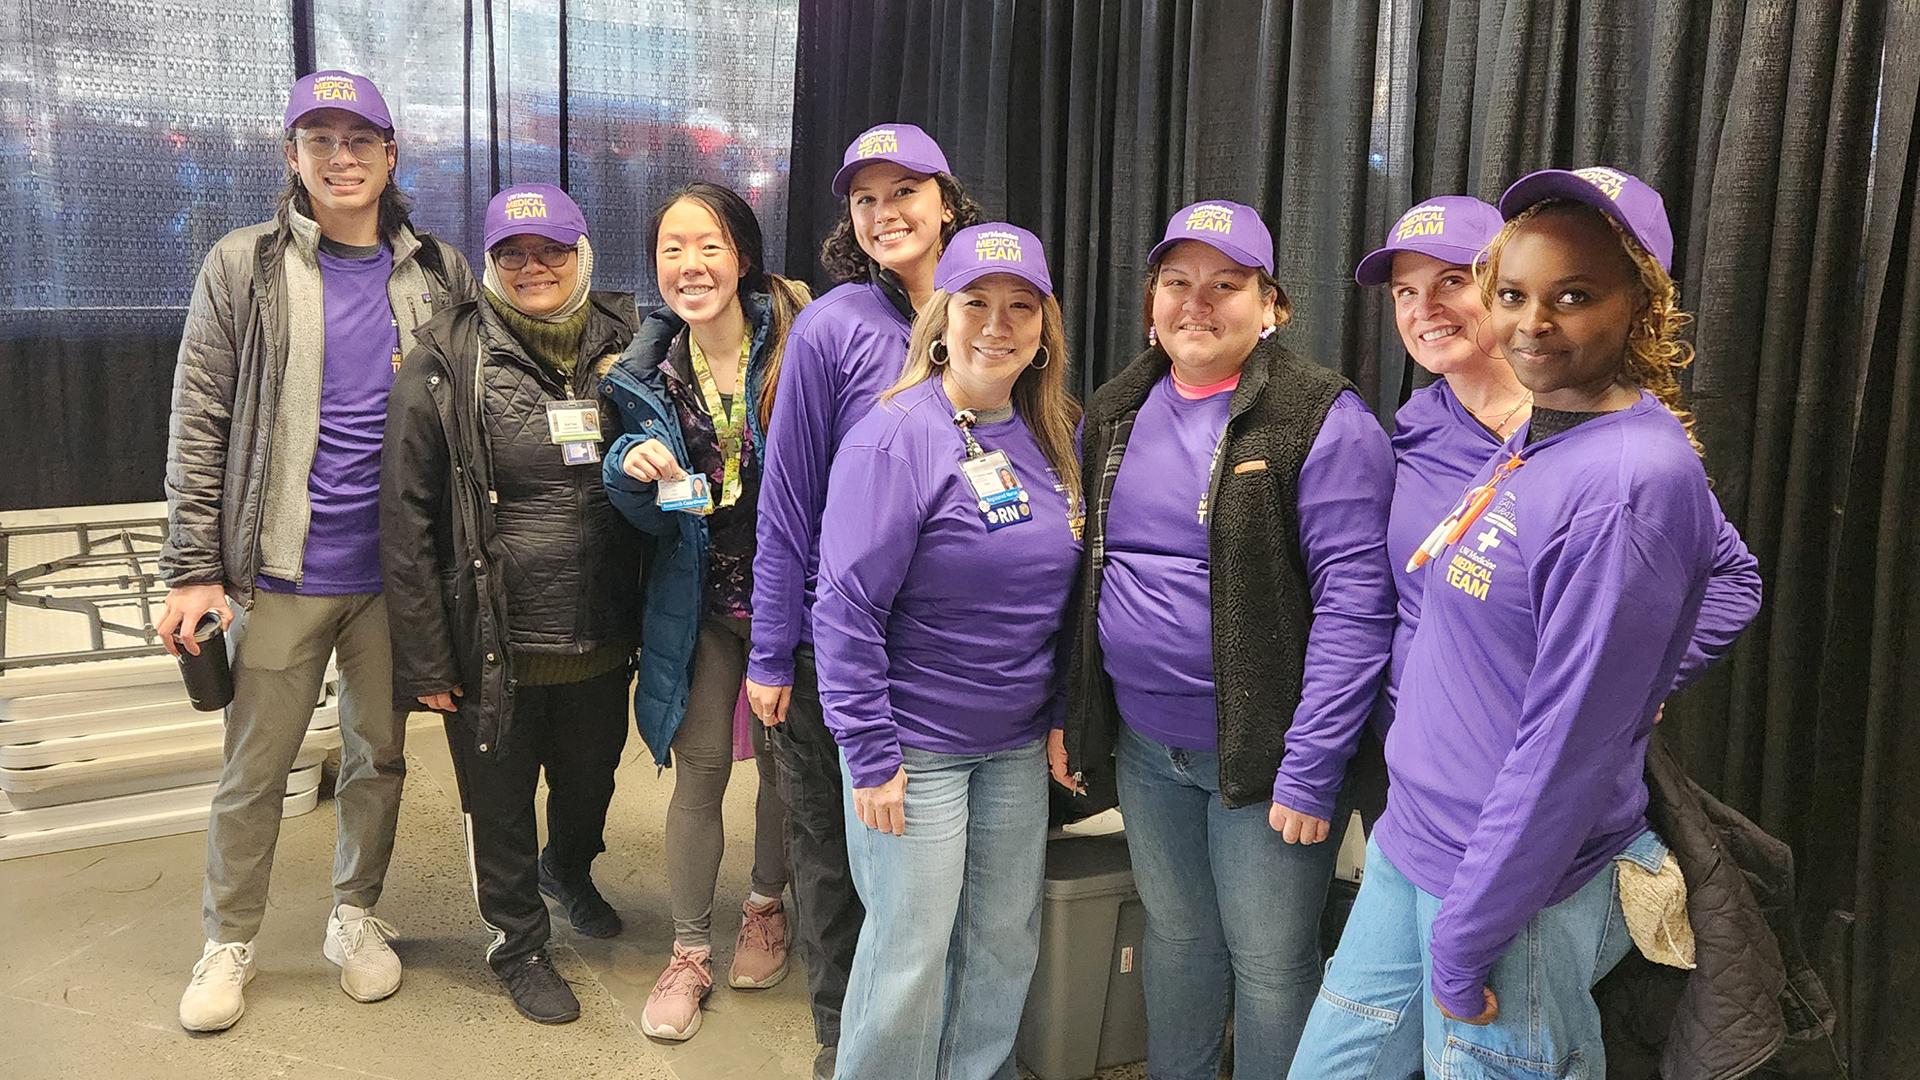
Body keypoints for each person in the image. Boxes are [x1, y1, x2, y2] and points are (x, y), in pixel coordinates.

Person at [1282, 166, 1745, 1078]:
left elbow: (1568, 749)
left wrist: (1469, 936)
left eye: (1573, 296)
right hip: (1417, 837)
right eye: (1515, 294)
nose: (1534, 322)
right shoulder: (1538, 432)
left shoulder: (1626, 483)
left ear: (1641, 307)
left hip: (1503, 888)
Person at [160, 70, 476, 1034]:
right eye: (320, 140)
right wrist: (193, 567)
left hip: (395, 580)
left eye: (360, 140)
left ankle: (354, 916)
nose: (342, 158)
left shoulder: (439, 272)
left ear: (391, 155)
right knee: (255, 770)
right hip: (281, 572)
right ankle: (229, 940)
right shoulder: (243, 266)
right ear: (292, 156)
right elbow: (201, 417)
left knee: (380, 758)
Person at [1055, 201, 1397, 1078]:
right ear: (1151, 302)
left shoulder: (1322, 419)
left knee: (1272, 966)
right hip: (1145, 747)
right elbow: (1083, 582)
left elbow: (1357, 609)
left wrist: (1312, 765)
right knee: (1178, 940)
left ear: (1270, 305)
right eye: (1177, 283)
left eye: (1225, 285)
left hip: (1268, 760)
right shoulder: (1115, 409)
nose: (1196, 303)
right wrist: (1075, 715)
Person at [1351, 197, 1763, 825]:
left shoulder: (1593, 436)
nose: (1423, 308)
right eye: (1405, 292)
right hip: (1414, 761)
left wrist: (1636, 682)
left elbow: (1731, 578)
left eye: (1451, 282)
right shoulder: (1416, 424)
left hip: (1531, 778)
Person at [816, 223, 1083, 1079]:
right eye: (976, 304)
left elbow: (1064, 601)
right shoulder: (895, 436)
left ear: (1044, 328)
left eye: (1021, 307)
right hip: (915, 747)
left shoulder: (1056, 434)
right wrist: (870, 755)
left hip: (1013, 746)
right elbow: (845, 609)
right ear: (941, 318)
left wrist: (1057, 714)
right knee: (909, 957)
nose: (998, 326)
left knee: (1002, 944)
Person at [744, 121, 982, 1080]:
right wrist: (771, 650)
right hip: (835, 650)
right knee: (834, 864)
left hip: (957, 661)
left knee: (940, 883)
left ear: (947, 203)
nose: (886, 214)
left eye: (905, 192)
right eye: (865, 199)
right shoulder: (834, 327)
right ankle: (844, 1047)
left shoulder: (994, 311)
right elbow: (787, 499)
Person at [380, 183, 643, 1024]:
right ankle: (518, 942)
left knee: (591, 779)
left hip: (602, 629)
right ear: (490, 262)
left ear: (582, 252)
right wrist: (426, 658)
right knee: (497, 802)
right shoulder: (444, 357)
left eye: (552, 250)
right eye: (513, 254)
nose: (534, 267)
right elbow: (407, 520)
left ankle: (569, 868)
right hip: (492, 637)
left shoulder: (630, 342)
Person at [599, 181, 811, 1041]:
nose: (690, 265)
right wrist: (626, 467)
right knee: (700, 771)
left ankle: (765, 908)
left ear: (744, 258)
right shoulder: (643, 374)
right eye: (672, 249)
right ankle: (689, 951)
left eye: (710, 246)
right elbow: (649, 515)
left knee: (784, 768)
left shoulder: (798, 346)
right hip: (699, 605)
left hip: (791, 603)